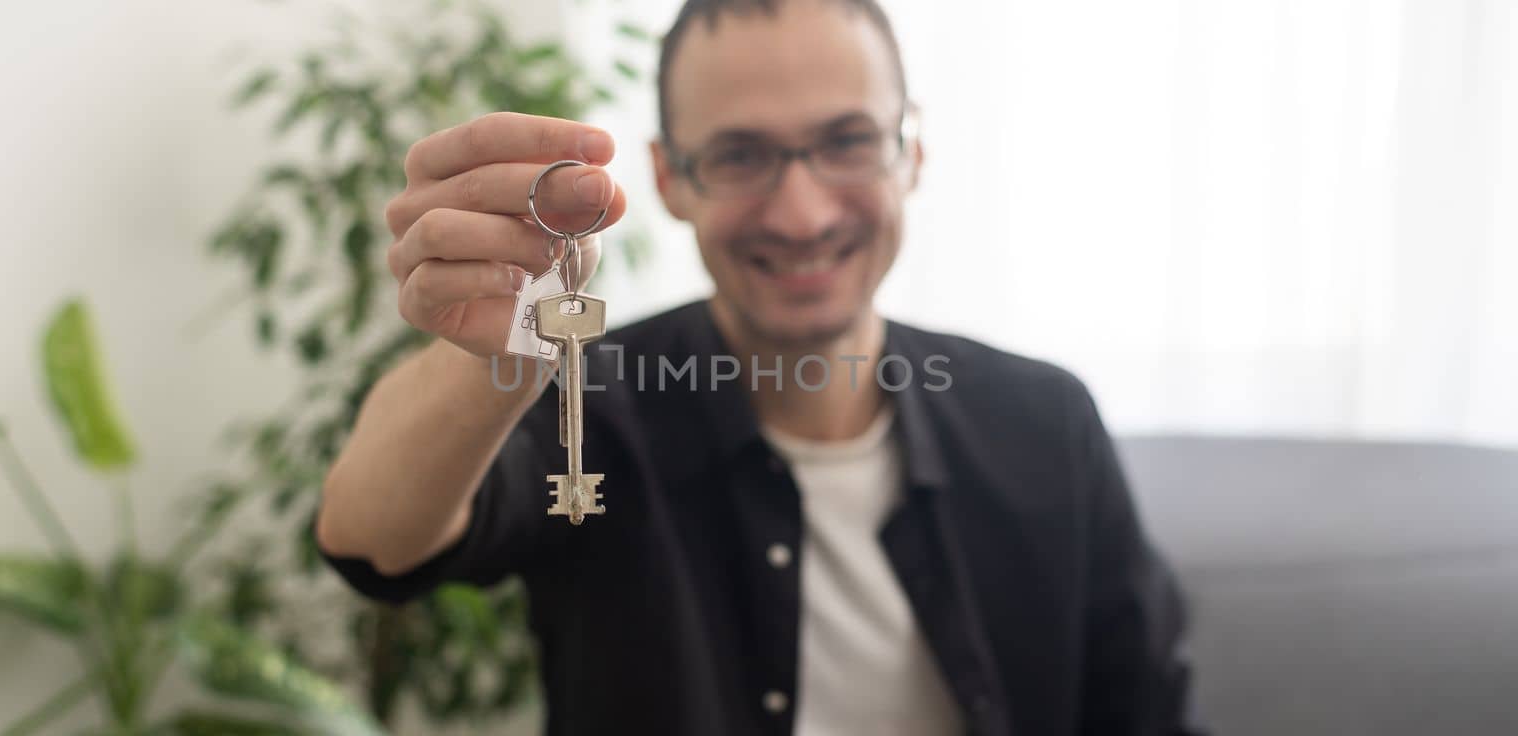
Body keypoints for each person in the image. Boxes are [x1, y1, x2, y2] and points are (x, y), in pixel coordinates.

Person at [314, 0, 1205, 734]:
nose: (803, 212)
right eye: (741, 156)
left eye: (848, 140)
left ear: (912, 150)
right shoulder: (591, 398)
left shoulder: (1046, 421)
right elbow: (374, 541)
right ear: (669, 179)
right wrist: (494, 345)